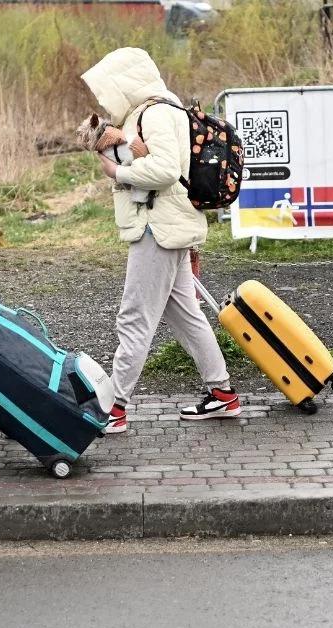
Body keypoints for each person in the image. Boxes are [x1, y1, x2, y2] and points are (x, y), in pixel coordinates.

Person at [80, 47, 240, 434]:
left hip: (159, 230)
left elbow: (166, 170)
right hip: (167, 227)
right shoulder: (158, 110)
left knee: (134, 317)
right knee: (186, 315)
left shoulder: (155, 113)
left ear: (125, 83)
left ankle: (114, 408)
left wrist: (117, 172)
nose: (104, 99)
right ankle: (222, 395)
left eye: (107, 89)